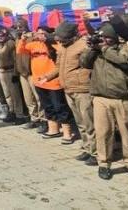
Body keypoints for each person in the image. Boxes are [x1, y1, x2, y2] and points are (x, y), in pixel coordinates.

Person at [81, 23, 128, 181]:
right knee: (103, 133)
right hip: (101, 97)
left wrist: (104, 49)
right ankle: (103, 163)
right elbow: (84, 63)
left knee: (127, 133)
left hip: (123, 98)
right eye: (102, 37)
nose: (104, 40)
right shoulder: (97, 49)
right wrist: (92, 48)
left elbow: (125, 61)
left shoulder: (127, 47)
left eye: (107, 37)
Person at [42, 21, 97, 166]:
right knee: (80, 122)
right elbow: (59, 66)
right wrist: (48, 76)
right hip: (69, 89)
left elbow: (90, 63)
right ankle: (87, 148)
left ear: (72, 35)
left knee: (89, 122)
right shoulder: (64, 48)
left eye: (61, 37)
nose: (59, 40)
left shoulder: (83, 45)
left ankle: (96, 152)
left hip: (83, 89)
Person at [22, 27, 73, 140]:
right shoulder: (34, 44)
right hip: (39, 81)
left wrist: (47, 40)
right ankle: (53, 129)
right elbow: (21, 50)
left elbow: (60, 51)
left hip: (54, 81)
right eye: (38, 33)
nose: (39, 36)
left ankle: (67, 132)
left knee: (60, 106)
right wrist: (23, 39)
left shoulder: (56, 44)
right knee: (47, 106)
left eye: (42, 33)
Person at [15, 22, 45, 130]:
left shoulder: (32, 38)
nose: (19, 29)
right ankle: (34, 119)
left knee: (38, 97)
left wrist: (31, 36)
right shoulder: (18, 40)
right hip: (22, 73)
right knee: (28, 99)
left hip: (32, 72)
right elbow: (17, 56)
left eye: (21, 27)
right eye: (17, 27)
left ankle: (43, 120)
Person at [0, 28, 26, 123]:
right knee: (7, 94)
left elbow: (15, 59)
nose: (0, 37)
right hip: (2, 72)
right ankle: (11, 111)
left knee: (15, 95)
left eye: (2, 35)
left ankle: (19, 114)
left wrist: (15, 73)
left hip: (10, 71)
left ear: (6, 35)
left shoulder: (10, 44)